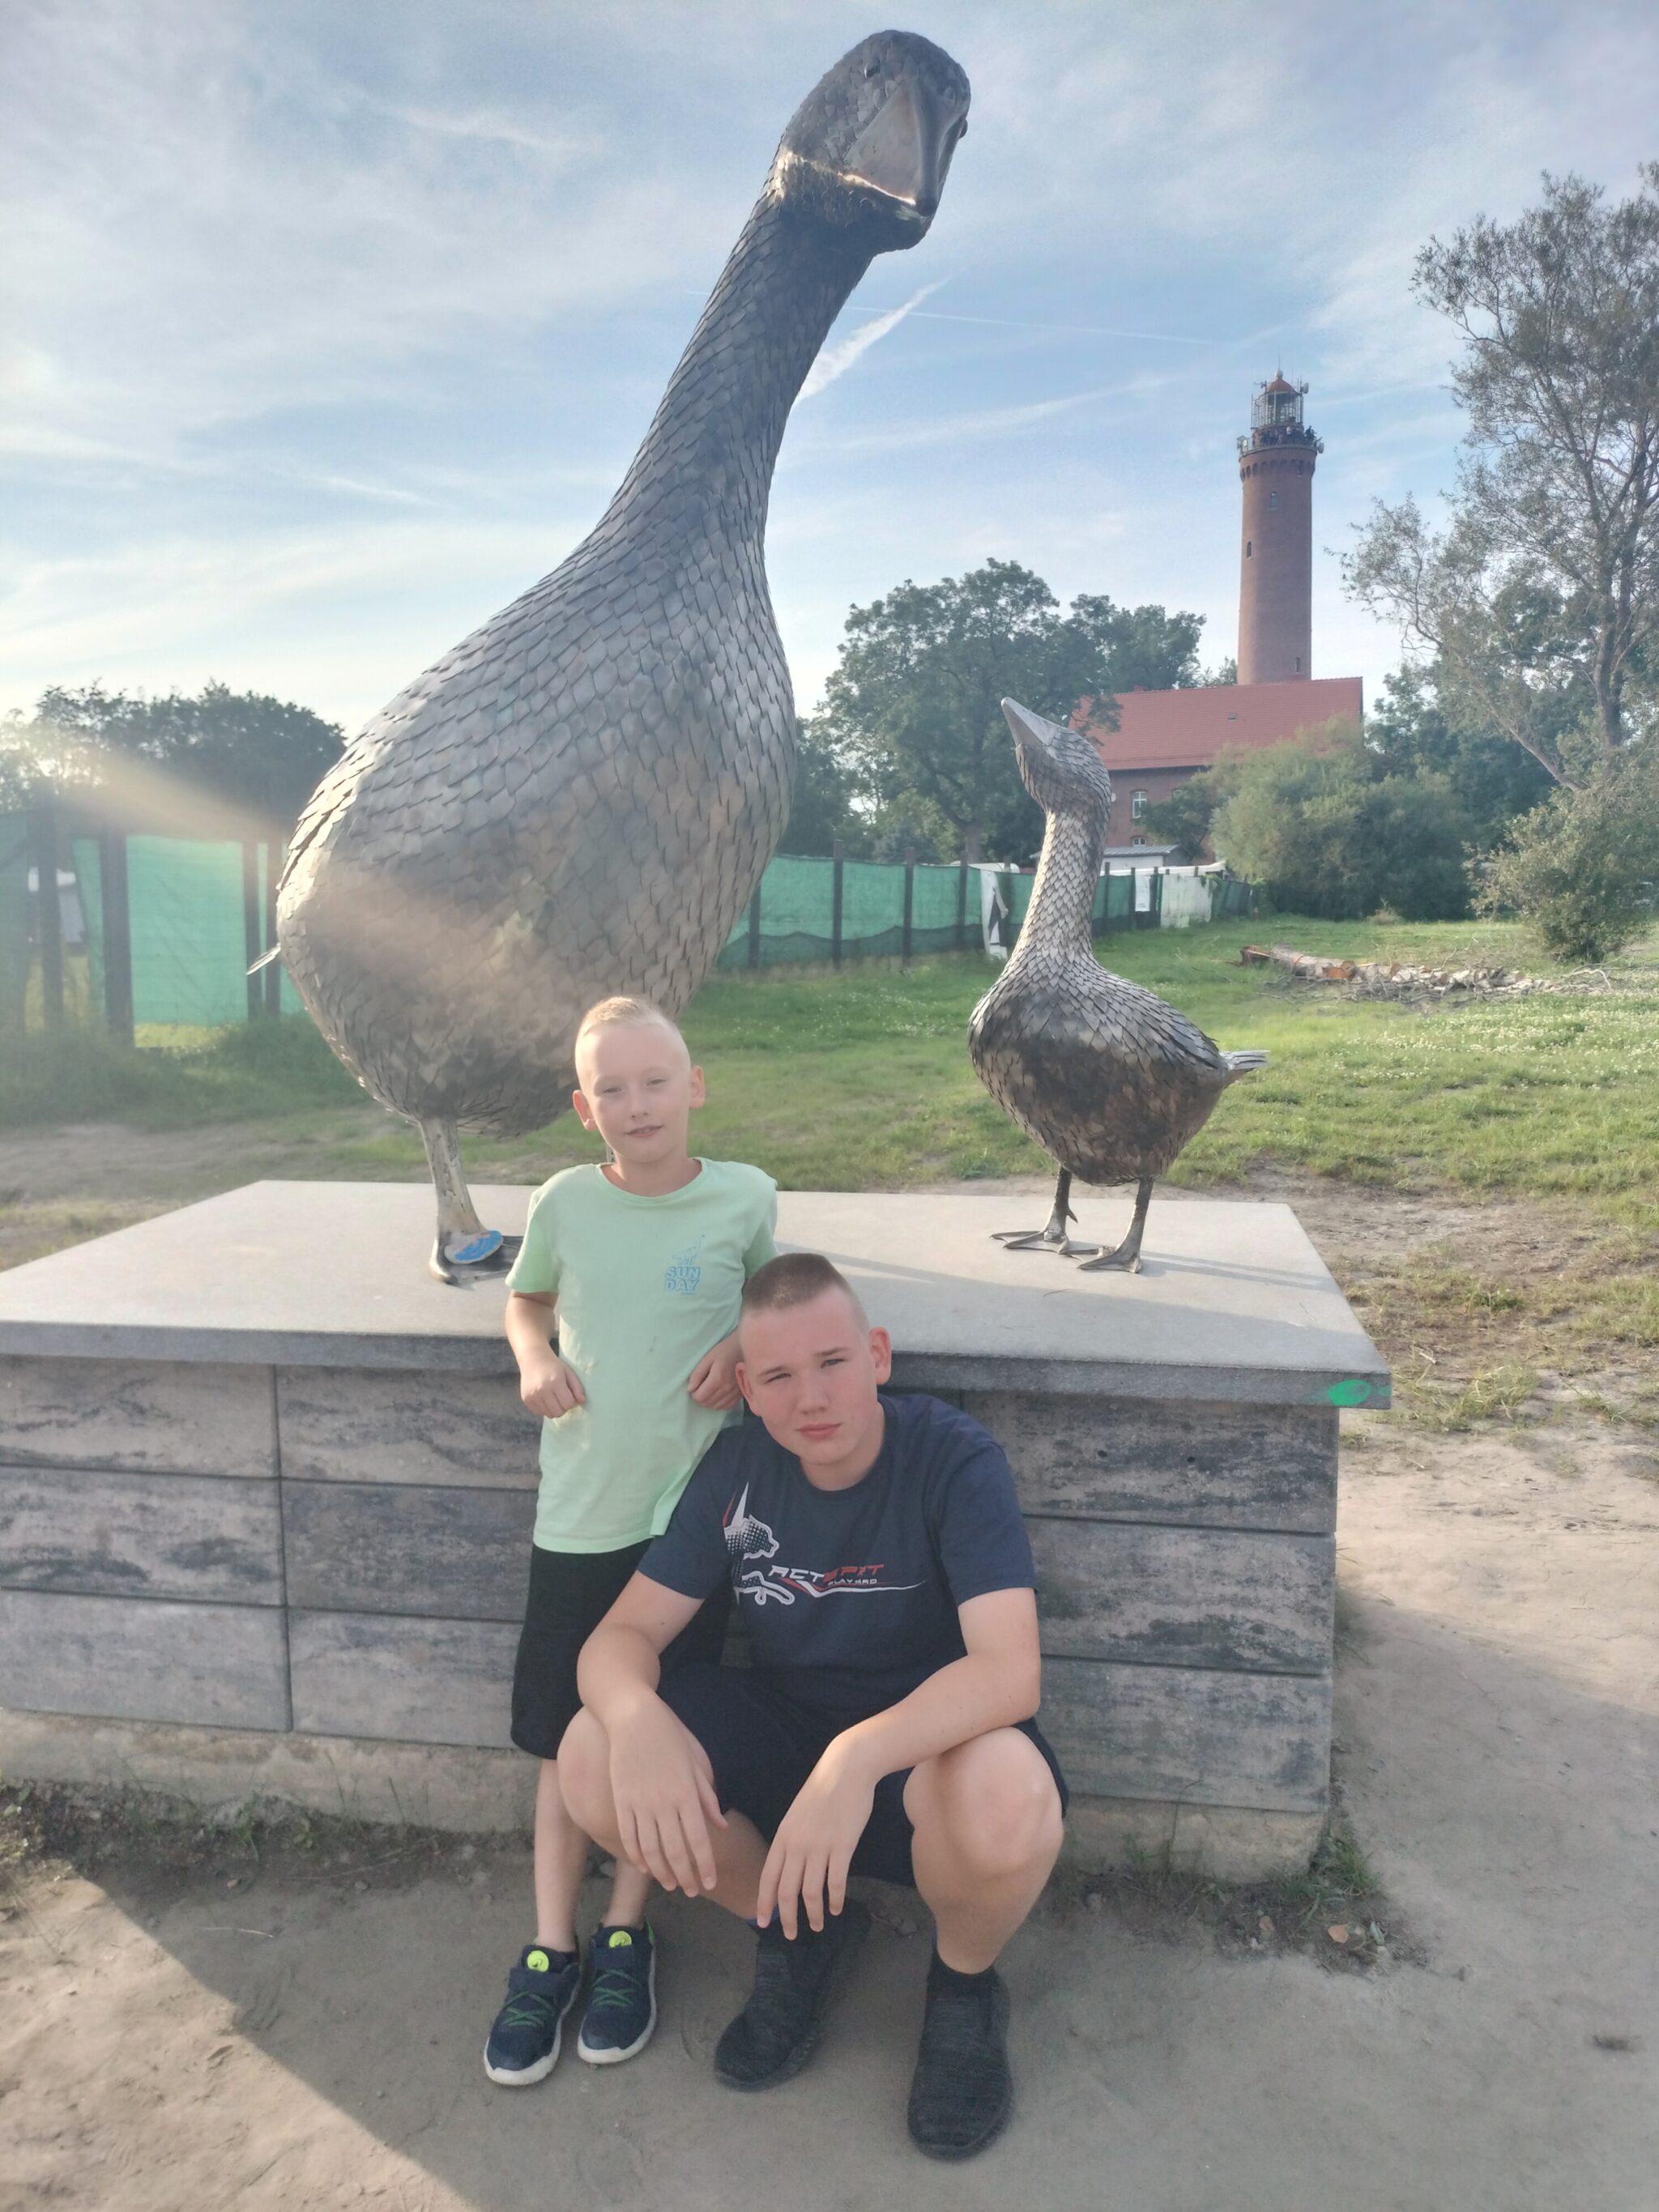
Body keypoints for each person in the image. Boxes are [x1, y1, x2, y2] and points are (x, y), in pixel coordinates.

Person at [561, 1251, 1067, 2161]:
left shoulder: (951, 1455)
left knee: (1009, 1792)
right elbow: (618, 1637)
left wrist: (856, 1759)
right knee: (591, 1753)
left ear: (877, 1355)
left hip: (924, 1759)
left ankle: (962, 1989)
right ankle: (797, 1931)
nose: (812, 1399)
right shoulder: (739, 1467)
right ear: (749, 1392)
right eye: (780, 1377)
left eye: (832, 1362)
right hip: (786, 1739)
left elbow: (1007, 1671)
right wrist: (635, 1719)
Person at [481, 996, 777, 2086]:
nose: (637, 1103)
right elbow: (526, 1301)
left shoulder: (746, 1196)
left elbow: (772, 1305)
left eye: (656, 1081)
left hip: (690, 1526)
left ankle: (625, 1929)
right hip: (581, 1512)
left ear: (693, 1086)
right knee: (564, 1739)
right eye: (613, 1088)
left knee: (657, 1735)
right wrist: (532, 1357)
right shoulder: (563, 1200)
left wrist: (741, 1341)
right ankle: (550, 1941)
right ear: (583, 1106)